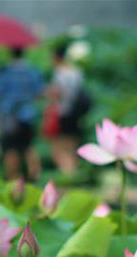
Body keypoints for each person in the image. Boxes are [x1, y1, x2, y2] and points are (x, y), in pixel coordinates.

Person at [0, 47, 44, 181]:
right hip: (28, 115)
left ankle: (13, 182)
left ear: (10, 53)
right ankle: (36, 178)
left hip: (9, 116)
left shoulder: (4, 71)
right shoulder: (32, 71)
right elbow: (39, 92)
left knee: (10, 151)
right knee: (28, 148)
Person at [47, 44, 88, 174]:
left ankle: (68, 175)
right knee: (72, 148)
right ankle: (74, 176)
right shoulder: (77, 72)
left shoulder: (59, 73)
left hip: (62, 113)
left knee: (58, 149)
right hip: (76, 113)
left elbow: (58, 93)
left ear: (56, 57)